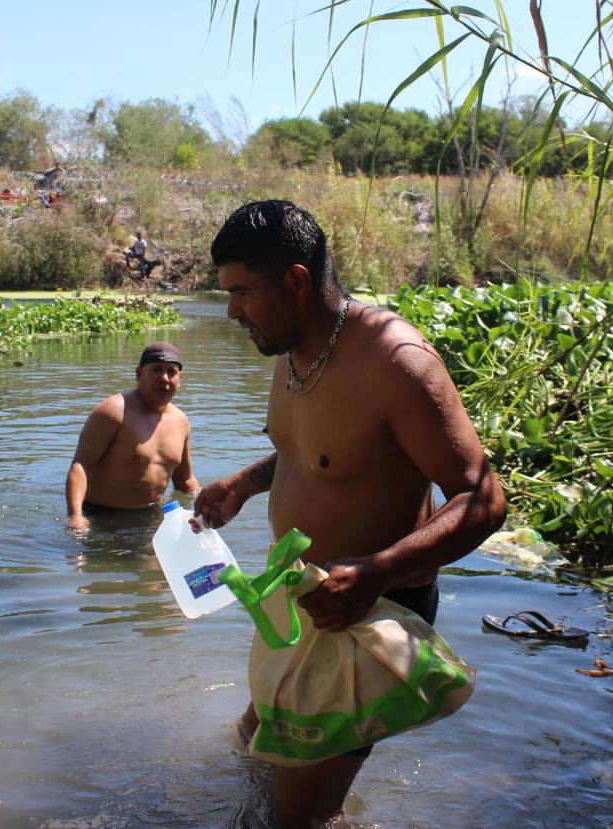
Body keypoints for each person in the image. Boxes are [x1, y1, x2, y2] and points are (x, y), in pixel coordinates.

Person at [193, 200, 506, 829]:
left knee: (299, 820)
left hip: (364, 614)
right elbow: (318, 456)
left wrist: (378, 572)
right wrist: (246, 484)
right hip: (300, 599)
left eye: (241, 293)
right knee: (250, 748)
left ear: (298, 282)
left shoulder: (396, 362)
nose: (231, 311)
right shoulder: (287, 350)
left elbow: (484, 498)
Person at [65, 343, 201, 532]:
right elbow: (81, 465)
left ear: (180, 379)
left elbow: (185, 481)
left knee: (156, 562)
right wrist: (76, 517)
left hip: (151, 516)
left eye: (171, 372)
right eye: (156, 370)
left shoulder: (181, 422)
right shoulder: (114, 411)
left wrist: (209, 504)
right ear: (139, 374)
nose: (164, 378)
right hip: (101, 516)